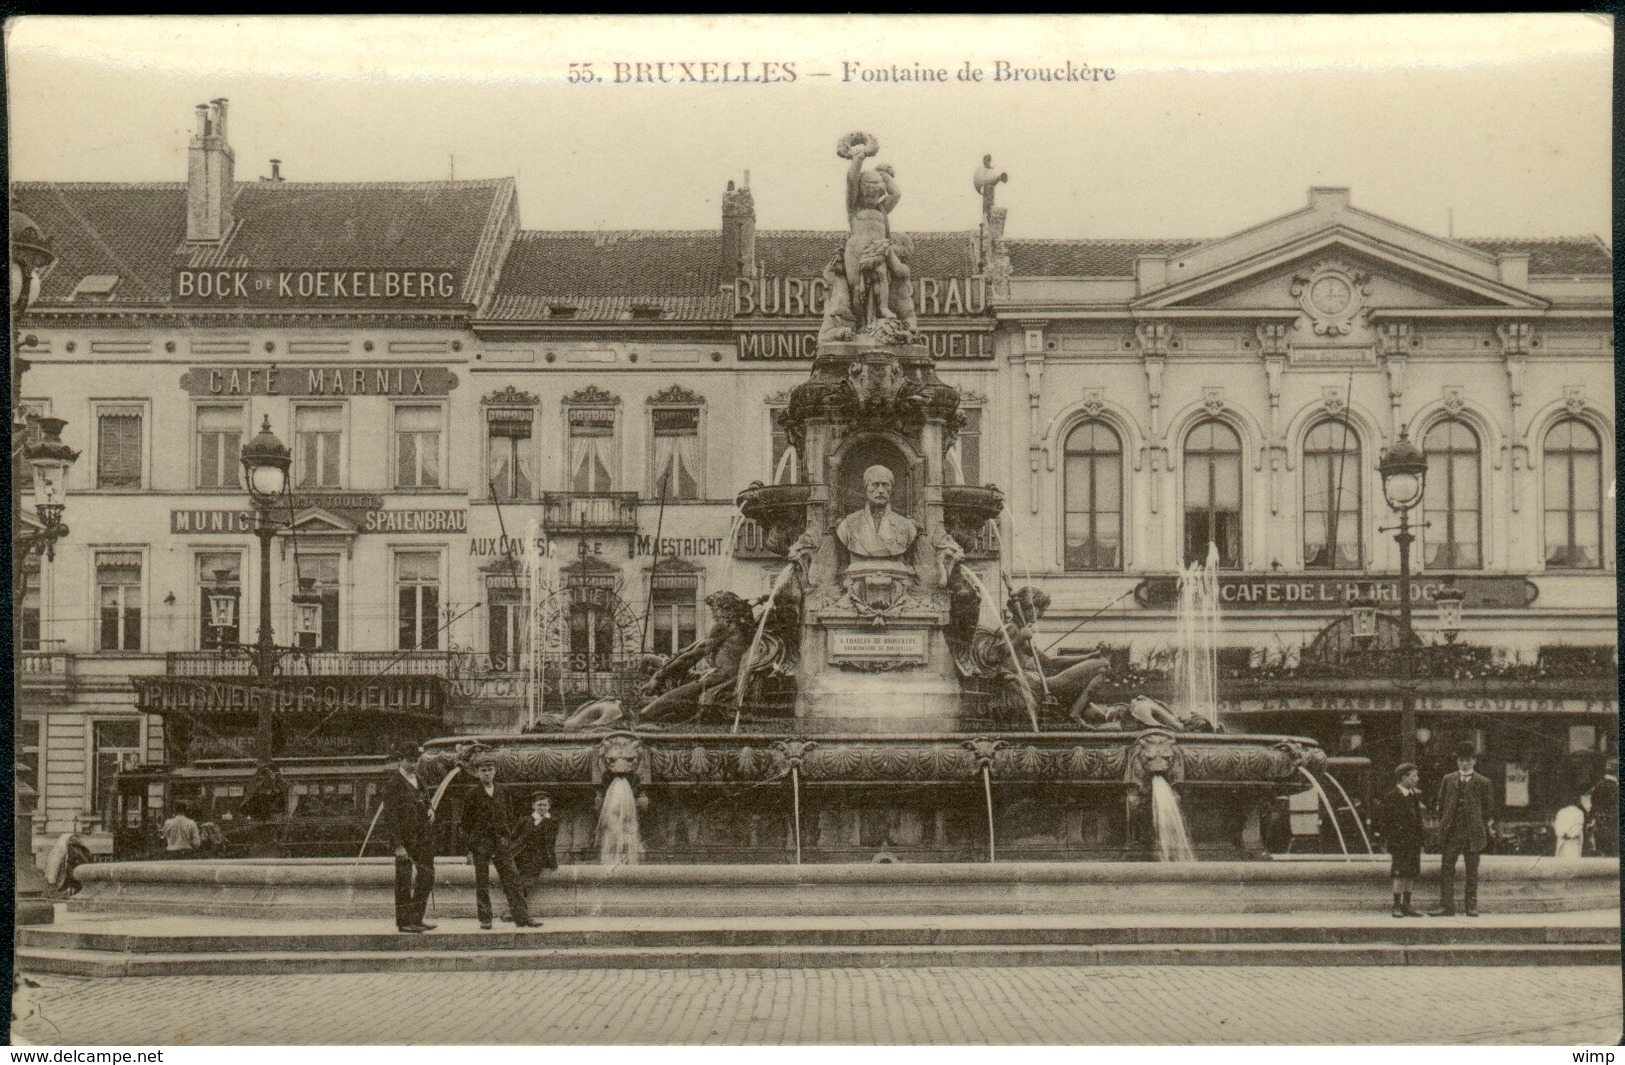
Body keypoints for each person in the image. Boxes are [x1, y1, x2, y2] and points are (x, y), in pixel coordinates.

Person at [638, 591, 759, 724]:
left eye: (714, 609)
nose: (713, 614)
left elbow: (690, 657)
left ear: (727, 610)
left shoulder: (723, 627)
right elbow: (692, 649)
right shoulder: (737, 627)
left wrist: (659, 676)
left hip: (721, 677)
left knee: (647, 712)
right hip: (726, 675)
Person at [459, 751, 539, 930]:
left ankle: (522, 917)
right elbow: (465, 822)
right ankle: (485, 918)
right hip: (481, 844)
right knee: (482, 882)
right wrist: (472, 845)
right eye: (483, 770)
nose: (487, 773)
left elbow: (510, 815)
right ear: (477, 772)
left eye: (489, 769)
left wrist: (507, 836)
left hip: (502, 843)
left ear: (495, 771)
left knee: (513, 878)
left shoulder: (503, 791)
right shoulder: (472, 794)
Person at [1433, 742, 1496, 917]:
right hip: (1452, 832)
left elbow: (1489, 808)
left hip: (1473, 833)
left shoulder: (1484, 782)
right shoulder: (1448, 779)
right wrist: (1443, 824)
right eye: (1461, 760)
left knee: (1472, 871)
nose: (1464, 764)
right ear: (1457, 762)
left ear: (1474, 761)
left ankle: (1471, 906)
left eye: (1468, 760)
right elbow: (1441, 803)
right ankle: (1446, 906)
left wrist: (1479, 825)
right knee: (1446, 869)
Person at [380, 741, 436, 934]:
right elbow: (390, 818)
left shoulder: (418, 778)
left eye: (416, 760)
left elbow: (427, 800)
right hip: (404, 841)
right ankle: (404, 922)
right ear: (400, 760)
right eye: (409, 761)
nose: (413, 764)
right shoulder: (393, 784)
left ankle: (416, 918)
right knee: (403, 881)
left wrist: (431, 810)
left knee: (427, 876)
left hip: (422, 839)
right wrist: (398, 846)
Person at [835, 465, 919, 561]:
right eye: (875, 484)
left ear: (891, 489)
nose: (880, 490)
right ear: (865, 488)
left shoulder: (907, 526)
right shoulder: (847, 525)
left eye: (885, 485)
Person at [1375, 762, 1426, 917]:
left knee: (1411, 872)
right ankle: (1396, 905)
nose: (1416, 779)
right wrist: (1387, 842)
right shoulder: (1392, 796)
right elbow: (1385, 822)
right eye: (1414, 776)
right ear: (1404, 777)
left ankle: (1407, 905)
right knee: (1399, 873)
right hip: (1399, 843)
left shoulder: (1413, 796)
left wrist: (1421, 840)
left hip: (1413, 842)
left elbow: (1418, 820)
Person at [507, 792, 559, 920]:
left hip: (537, 857)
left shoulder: (552, 821)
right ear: (533, 806)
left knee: (526, 882)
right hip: (520, 856)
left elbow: (550, 842)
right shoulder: (525, 820)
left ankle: (514, 912)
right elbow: (513, 837)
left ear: (549, 806)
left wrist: (552, 860)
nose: (542, 808)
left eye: (545, 805)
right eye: (539, 805)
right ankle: (515, 911)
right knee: (513, 881)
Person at [1588, 764, 1618, 857]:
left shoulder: (1599, 785)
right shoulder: (1615, 787)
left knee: (1601, 843)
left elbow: (1593, 801)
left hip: (1599, 818)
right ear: (1616, 773)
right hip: (1612, 819)